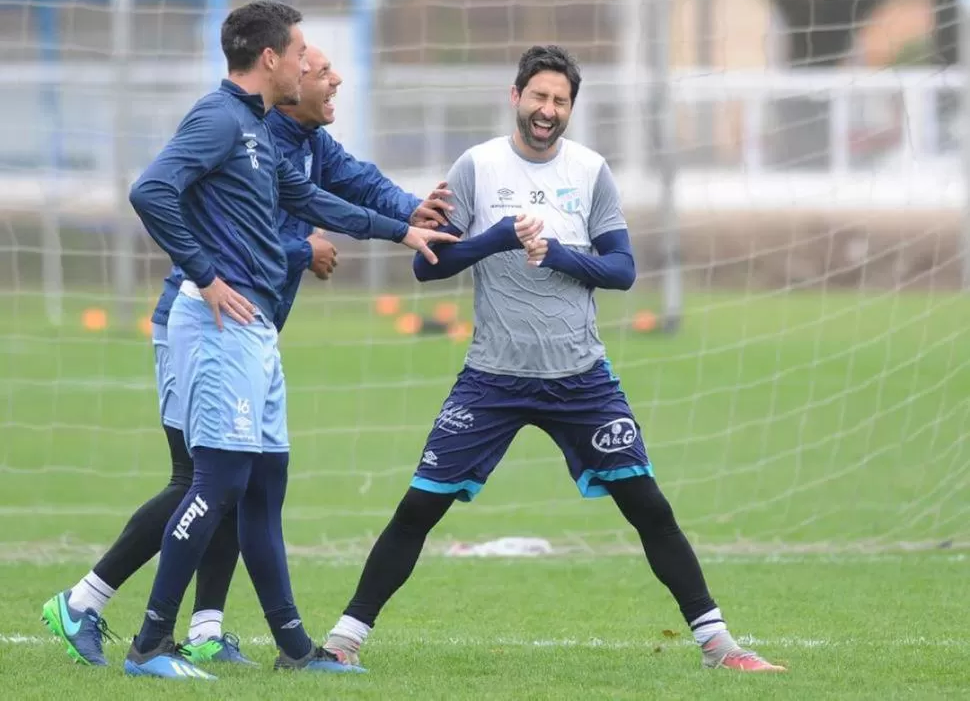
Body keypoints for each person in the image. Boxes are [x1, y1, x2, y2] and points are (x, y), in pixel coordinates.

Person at [322, 45, 785, 674]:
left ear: (571, 108)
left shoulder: (592, 171)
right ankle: (344, 640)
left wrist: (561, 254)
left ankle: (719, 645)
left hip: (580, 378)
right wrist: (500, 235)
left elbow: (623, 271)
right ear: (516, 98)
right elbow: (426, 265)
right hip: (492, 377)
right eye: (538, 97)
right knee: (418, 508)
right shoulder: (476, 167)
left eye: (560, 100)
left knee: (650, 507)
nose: (548, 110)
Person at [39, 42, 450, 669]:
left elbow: (340, 188)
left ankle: (218, 631)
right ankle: (95, 607)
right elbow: (204, 214)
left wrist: (405, 218)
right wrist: (264, 260)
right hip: (203, 319)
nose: (333, 77)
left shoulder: (293, 139)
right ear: (279, 68)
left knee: (241, 481)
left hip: (248, 323)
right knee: (206, 479)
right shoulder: (234, 125)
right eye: (316, 67)